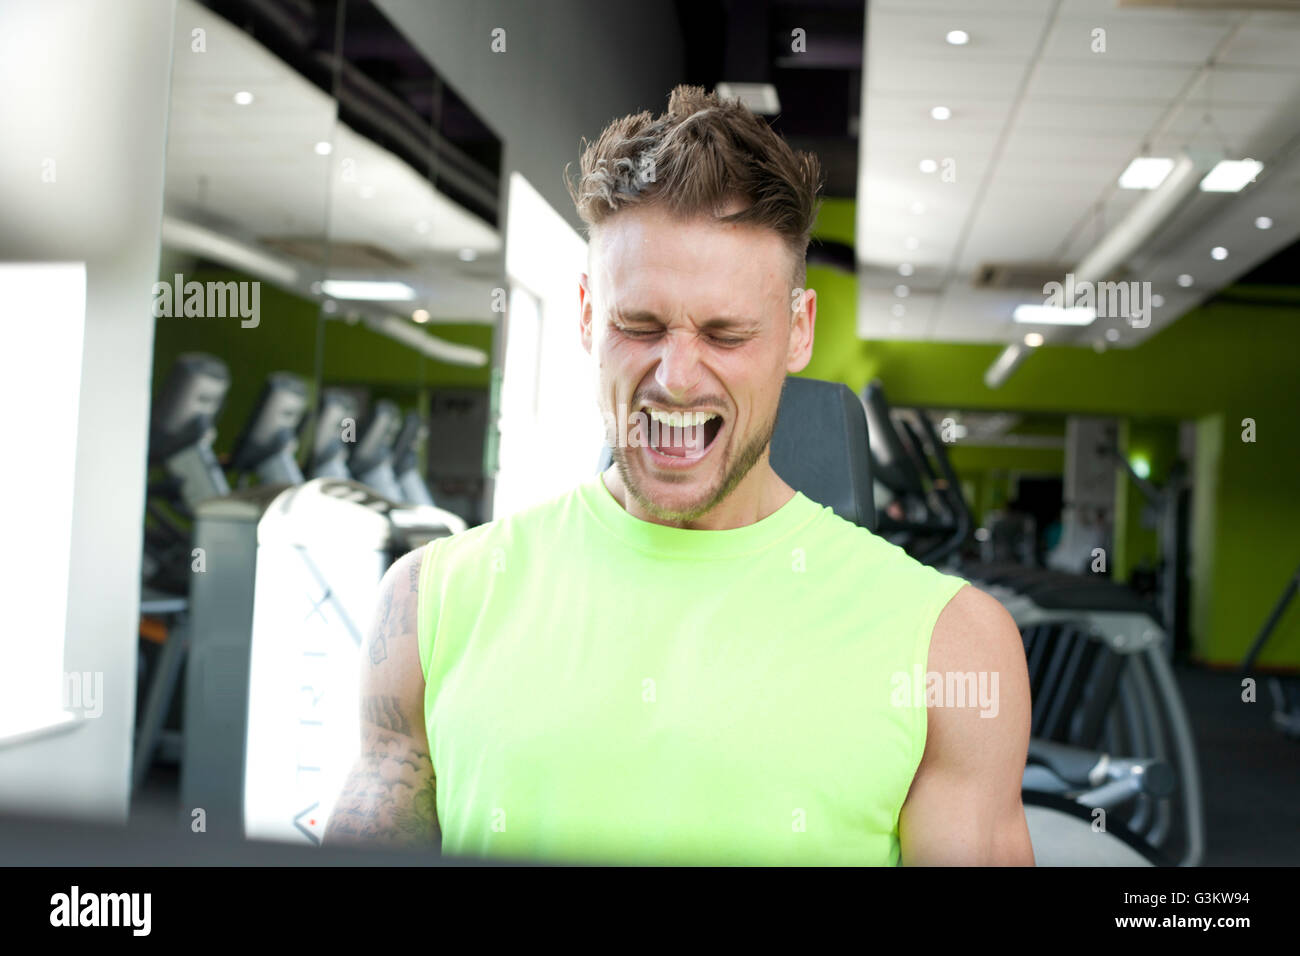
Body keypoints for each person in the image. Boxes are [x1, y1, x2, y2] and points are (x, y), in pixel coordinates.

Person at [324, 85, 1033, 865]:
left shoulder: (952, 646)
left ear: (797, 332)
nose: (679, 376)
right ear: (590, 315)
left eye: (726, 333)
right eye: (641, 326)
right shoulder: (429, 603)